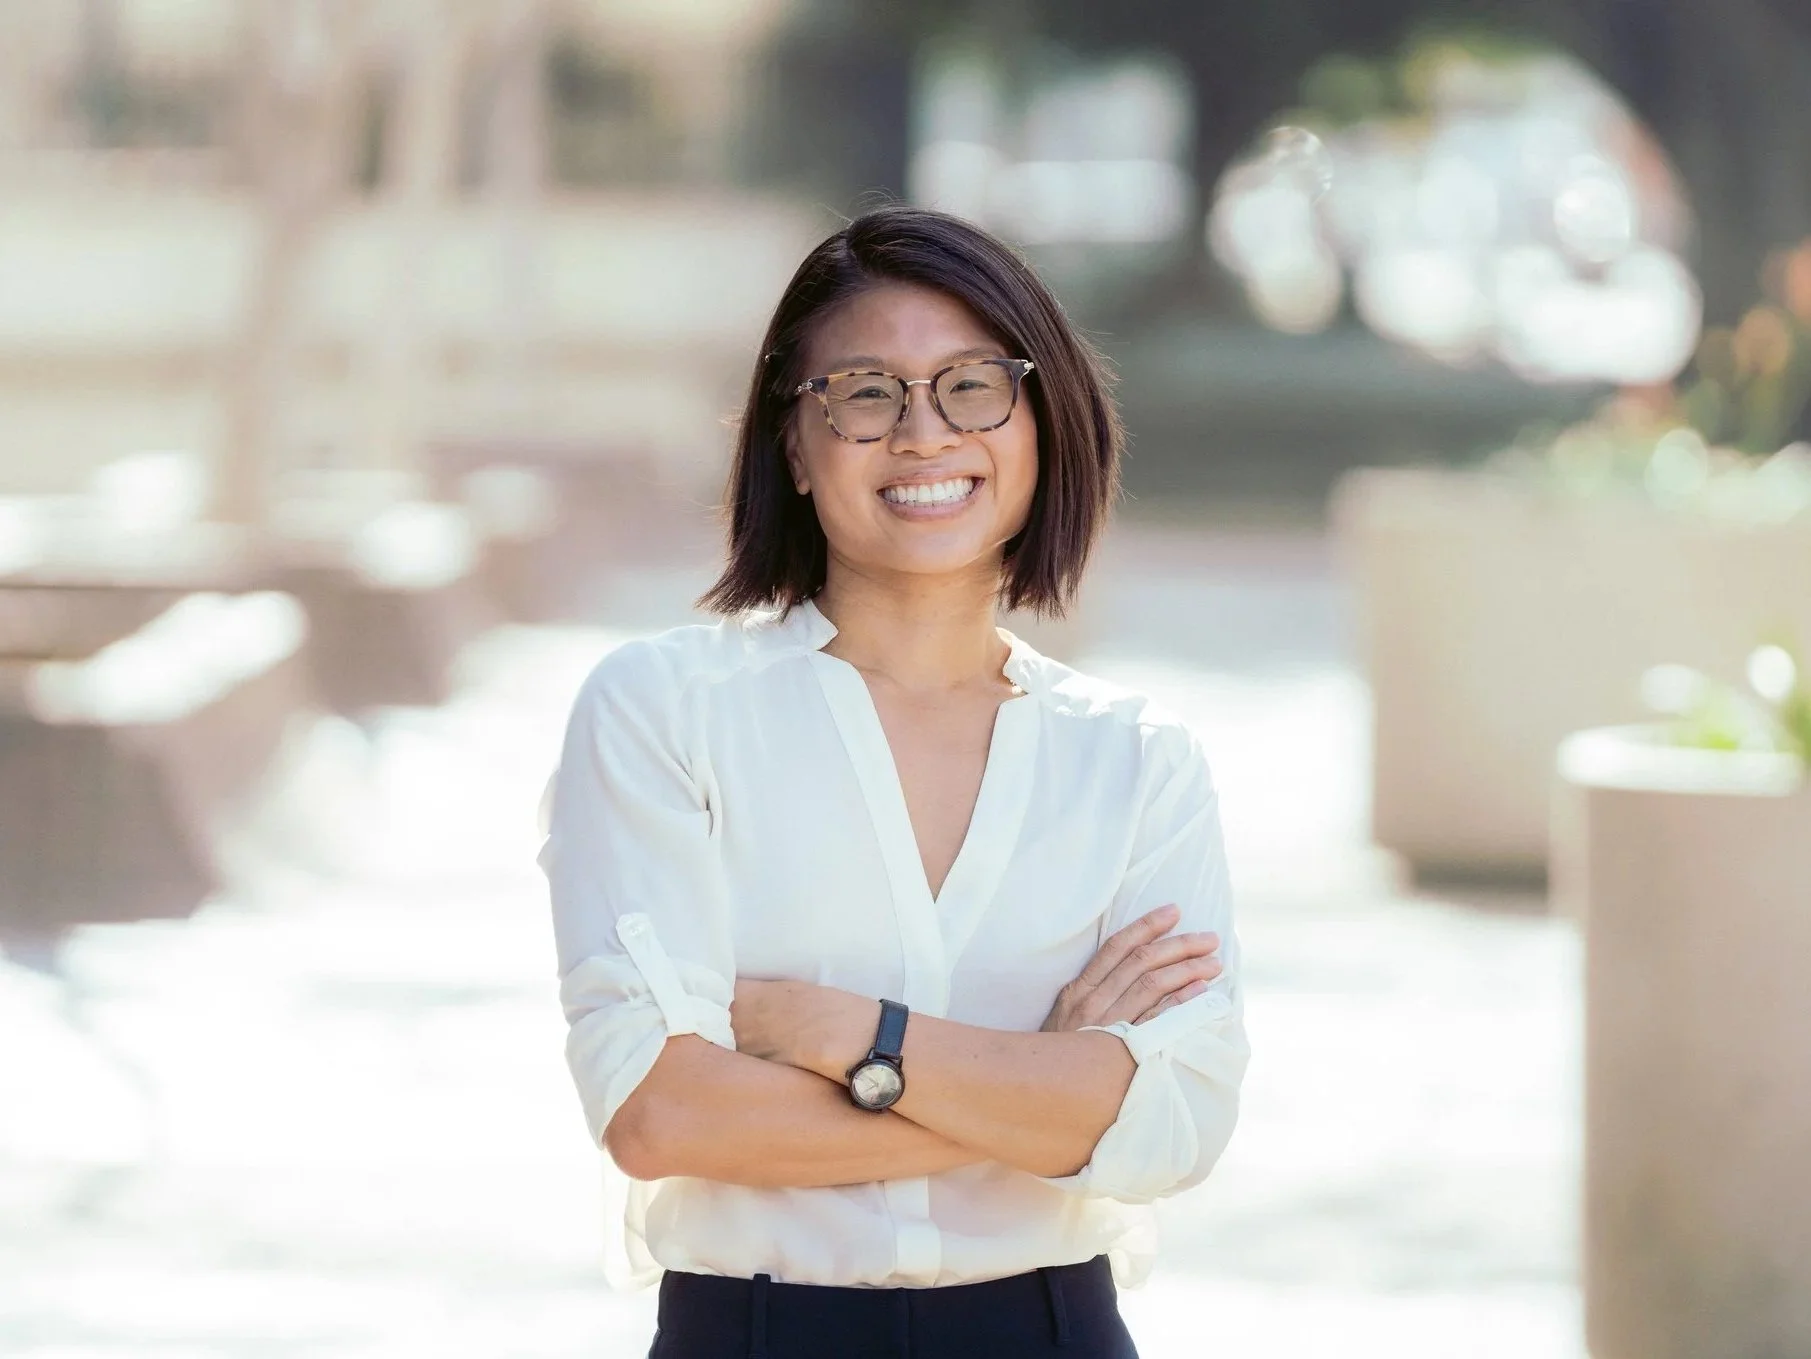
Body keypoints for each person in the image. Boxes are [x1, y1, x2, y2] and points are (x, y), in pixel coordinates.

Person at [540, 205, 1250, 1359]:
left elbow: (1176, 1125)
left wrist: (842, 1032)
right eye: (865, 394)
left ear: (1040, 422)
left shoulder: (1134, 759)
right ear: (793, 444)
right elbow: (660, 1113)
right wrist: (1044, 1085)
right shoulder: (662, 712)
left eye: (972, 385)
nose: (923, 433)